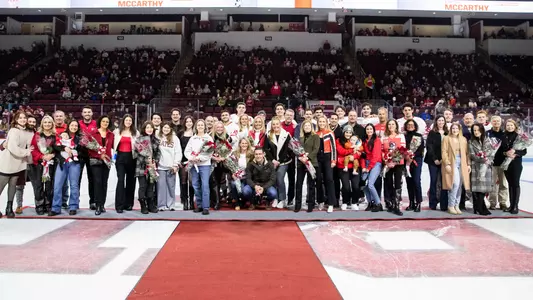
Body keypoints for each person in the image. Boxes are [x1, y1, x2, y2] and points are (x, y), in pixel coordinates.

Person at [0, 111, 34, 218]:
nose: (23, 119)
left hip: (19, 163)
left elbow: (30, 146)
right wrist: (26, 152)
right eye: (20, 118)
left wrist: (29, 157)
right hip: (8, 162)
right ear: (16, 119)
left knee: (13, 186)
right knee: (1, 186)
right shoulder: (13, 130)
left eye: (24, 118)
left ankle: (9, 207)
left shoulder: (28, 132)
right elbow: (12, 147)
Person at [49, 119, 82, 216]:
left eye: (76, 126)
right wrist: (64, 148)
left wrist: (75, 152)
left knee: (74, 185)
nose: (74, 127)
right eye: (72, 125)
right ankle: (55, 208)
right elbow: (55, 146)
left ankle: (73, 206)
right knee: (57, 185)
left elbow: (83, 151)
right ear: (68, 126)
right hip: (62, 162)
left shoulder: (79, 138)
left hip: (74, 163)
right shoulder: (62, 135)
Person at [184, 119, 215, 215]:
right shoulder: (192, 138)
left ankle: (206, 207)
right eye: (199, 125)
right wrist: (191, 158)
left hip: (204, 165)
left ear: (205, 127)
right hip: (194, 165)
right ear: (196, 127)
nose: (200, 127)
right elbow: (187, 150)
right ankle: (199, 205)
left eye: (202, 125)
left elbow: (210, 152)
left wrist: (200, 158)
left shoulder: (208, 138)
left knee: (205, 185)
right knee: (195, 185)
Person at [28, 115, 56, 215]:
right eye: (45, 122)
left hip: (50, 164)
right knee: (39, 185)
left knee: (49, 185)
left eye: (49, 122)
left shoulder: (55, 135)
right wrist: (42, 156)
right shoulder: (37, 135)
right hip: (39, 164)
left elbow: (58, 148)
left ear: (52, 123)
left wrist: (52, 155)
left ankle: (48, 204)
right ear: (42, 124)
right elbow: (33, 150)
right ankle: (39, 204)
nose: (47, 124)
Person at [442, 122, 471, 215]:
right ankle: (450, 205)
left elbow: (467, 153)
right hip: (452, 162)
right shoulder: (446, 138)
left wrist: (468, 164)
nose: (455, 130)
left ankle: (456, 205)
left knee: (460, 186)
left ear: (459, 130)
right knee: (455, 183)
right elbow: (444, 152)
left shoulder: (463, 139)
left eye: (456, 129)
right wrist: (447, 163)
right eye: (453, 128)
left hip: (462, 162)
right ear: (451, 129)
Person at [264, 116, 292, 209]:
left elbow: (286, 150)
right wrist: (273, 160)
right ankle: (275, 198)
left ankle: (282, 199)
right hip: (272, 161)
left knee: (280, 177)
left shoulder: (286, 134)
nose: (275, 126)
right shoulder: (268, 134)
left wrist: (279, 161)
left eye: (277, 124)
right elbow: (265, 149)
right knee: (273, 179)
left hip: (284, 162)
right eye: (273, 124)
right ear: (271, 125)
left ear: (280, 124)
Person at [89, 115, 114, 216]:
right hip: (96, 160)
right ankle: (98, 205)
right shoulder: (93, 133)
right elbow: (90, 148)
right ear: (100, 122)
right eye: (103, 121)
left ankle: (102, 204)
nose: (105, 123)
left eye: (107, 122)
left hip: (106, 161)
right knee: (98, 182)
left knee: (104, 183)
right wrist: (99, 156)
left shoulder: (111, 134)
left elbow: (112, 147)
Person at [113, 114, 138, 213]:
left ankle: (128, 204)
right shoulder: (117, 132)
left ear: (132, 122)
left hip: (132, 158)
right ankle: (119, 205)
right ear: (123, 121)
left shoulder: (136, 133)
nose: (128, 122)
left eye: (130, 120)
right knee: (120, 180)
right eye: (126, 120)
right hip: (120, 158)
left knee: (131, 181)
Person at [135, 121, 160, 214]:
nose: (149, 129)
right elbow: (136, 153)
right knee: (143, 186)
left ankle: (150, 204)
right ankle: (143, 205)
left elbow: (158, 153)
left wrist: (154, 162)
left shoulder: (156, 140)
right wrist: (146, 161)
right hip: (141, 166)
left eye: (151, 127)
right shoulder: (139, 139)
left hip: (152, 166)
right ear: (144, 129)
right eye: (147, 127)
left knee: (151, 186)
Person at [501, 119, 526, 214]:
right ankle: (511, 205)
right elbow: (500, 151)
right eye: (508, 125)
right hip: (506, 163)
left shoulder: (519, 137)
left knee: (515, 184)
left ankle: (515, 206)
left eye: (511, 125)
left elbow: (524, 151)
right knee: (510, 184)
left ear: (515, 126)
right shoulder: (503, 136)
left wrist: (515, 152)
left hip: (516, 163)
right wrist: (506, 153)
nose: (509, 127)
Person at [294, 120, 319, 213]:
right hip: (301, 163)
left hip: (312, 163)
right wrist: (301, 157)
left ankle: (310, 205)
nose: (307, 127)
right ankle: (297, 205)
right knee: (298, 184)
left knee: (311, 185)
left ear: (311, 127)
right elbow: (296, 150)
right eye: (305, 126)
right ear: (303, 128)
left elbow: (316, 149)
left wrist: (307, 157)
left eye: (309, 125)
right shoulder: (300, 137)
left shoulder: (315, 136)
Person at [424, 115, 449, 210]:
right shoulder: (432, 133)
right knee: (433, 181)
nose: (441, 122)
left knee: (444, 182)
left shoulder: (447, 133)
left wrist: (444, 159)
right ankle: (433, 203)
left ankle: (444, 204)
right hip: (433, 161)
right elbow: (429, 147)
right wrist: (435, 159)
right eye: (439, 120)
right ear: (436, 122)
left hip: (444, 160)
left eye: (443, 120)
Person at [14, 114, 37, 214]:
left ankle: (39, 204)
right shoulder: (19, 132)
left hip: (33, 163)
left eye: (33, 122)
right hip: (21, 162)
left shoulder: (37, 133)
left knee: (37, 185)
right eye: (30, 121)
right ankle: (19, 205)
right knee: (19, 185)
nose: (31, 123)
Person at [157, 123, 182, 211]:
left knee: (171, 186)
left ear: (171, 129)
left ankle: (171, 205)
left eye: (168, 128)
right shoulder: (158, 137)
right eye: (164, 127)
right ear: (162, 128)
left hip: (171, 166)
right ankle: (161, 205)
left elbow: (178, 152)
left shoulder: (175, 139)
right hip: (160, 167)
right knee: (161, 187)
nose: (166, 129)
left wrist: (176, 164)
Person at [469, 124, 493, 216]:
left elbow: (492, 153)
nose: (476, 132)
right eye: (474, 130)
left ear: (482, 130)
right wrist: (483, 158)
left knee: (484, 189)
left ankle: (480, 206)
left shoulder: (488, 140)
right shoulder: (471, 142)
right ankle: (479, 207)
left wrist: (488, 160)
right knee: (478, 188)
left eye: (477, 130)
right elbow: (472, 155)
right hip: (476, 166)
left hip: (486, 166)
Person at [335, 126, 361, 211]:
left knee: (356, 186)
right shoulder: (339, 140)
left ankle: (354, 202)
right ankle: (345, 202)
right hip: (343, 166)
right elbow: (341, 152)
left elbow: (360, 152)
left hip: (354, 166)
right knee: (346, 186)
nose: (348, 134)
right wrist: (352, 150)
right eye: (347, 132)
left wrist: (354, 156)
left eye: (350, 132)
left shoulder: (356, 141)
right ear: (343, 132)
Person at [382, 119, 405, 216]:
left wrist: (394, 162)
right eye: (389, 124)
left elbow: (403, 150)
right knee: (387, 182)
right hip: (387, 164)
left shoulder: (401, 136)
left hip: (398, 164)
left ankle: (397, 204)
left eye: (393, 124)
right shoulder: (384, 136)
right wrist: (387, 161)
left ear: (396, 126)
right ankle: (389, 203)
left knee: (398, 183)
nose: (391, 126)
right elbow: (382, 150)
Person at [315, 116, 337, 213]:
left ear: (326, 122)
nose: (322, 123)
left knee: (329, 179)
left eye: (323, 121)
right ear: (318, 123)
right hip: (318, 159)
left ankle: (331, 203)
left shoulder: (329, 133)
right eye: (320, 121)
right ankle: (320, 201)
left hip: (328, 158)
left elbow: (334, 148)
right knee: (319, 180)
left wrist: (333, 160)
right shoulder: (315, 134)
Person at [486, 116, 508, 210]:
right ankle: (492, 203)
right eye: (494, 121)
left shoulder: (505, 134)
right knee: (492, 184)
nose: (496, 122)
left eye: (498, 121)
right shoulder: (488, 134)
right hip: (492, 163)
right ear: (491, 122)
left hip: (503, 163)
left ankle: (503, 202)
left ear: (501, 122)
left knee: (503, 184)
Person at [404, 119, 425, 212]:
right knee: (409, 182)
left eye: (412, 124)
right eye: (408, 124)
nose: (410, 126)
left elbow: (420, 150)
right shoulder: (403, 136)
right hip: (406, 161)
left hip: (417, 160)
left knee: (416, 181)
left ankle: (418, 203)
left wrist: (412, 156)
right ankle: (411, 202)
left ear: (415, 126)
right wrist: (406, 157)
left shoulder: (419, 136)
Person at [78, 106, 97, 210]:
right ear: (82, 113)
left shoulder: (96, 124)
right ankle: (75, 201)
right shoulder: (78, 124)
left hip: (92, 154)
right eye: (85, 112)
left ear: (92, 113)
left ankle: (93, 201)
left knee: (92, 179)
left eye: (89, 112)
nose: (87, 114)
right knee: (77, 179)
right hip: (80, 155)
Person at [361, 123, 383, 212]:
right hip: (366, 163)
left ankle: (378, 204)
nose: (369, 131)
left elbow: (375, 156)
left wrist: (368, 168)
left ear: (373, 130)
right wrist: (363, 167)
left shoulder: (377, 140)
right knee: (363, 185)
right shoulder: (363, 141)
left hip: (376, 163)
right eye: (367, 129)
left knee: (370, 184)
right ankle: (370, 203)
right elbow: (362, 155)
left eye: (371, 129)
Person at [230, 137, 254, 210]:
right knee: (233, 183)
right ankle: (237, 203)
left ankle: (246, 201)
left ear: (248, 144)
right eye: (242, 143)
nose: (244, 145)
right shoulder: (234, 153)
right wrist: (233, 174)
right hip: (237, 176)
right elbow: (231, 165)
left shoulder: (251, 154)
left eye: (246, 143)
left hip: (247, 176)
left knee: (244, 190)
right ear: (240, 144)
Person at [178, 115, 195, 210]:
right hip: (183, 160)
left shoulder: (196, 133)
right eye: (187, 121)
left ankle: (192, 201)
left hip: (193, 161)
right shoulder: (180, 133)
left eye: (190, 121)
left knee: (192, 182)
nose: (189, 123)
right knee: (183, 181)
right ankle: (185, 201)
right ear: (184, 123)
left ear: (193, 123)